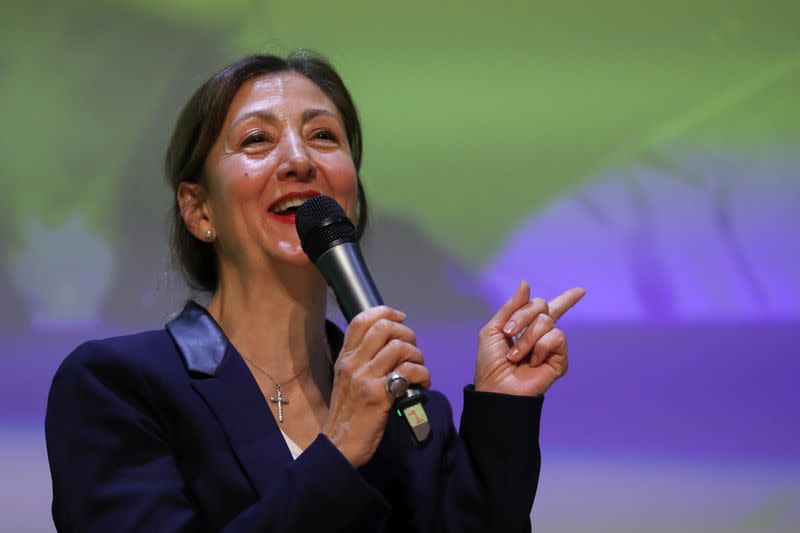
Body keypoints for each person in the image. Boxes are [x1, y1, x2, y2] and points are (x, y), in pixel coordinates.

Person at [45, 51, 585, 532]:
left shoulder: (408, 407)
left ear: (351, 197)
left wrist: (502, 407)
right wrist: (339, 449)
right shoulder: (117, 388)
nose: (300, 160)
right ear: (199, 209)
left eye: (324, 136)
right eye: (257, 139)